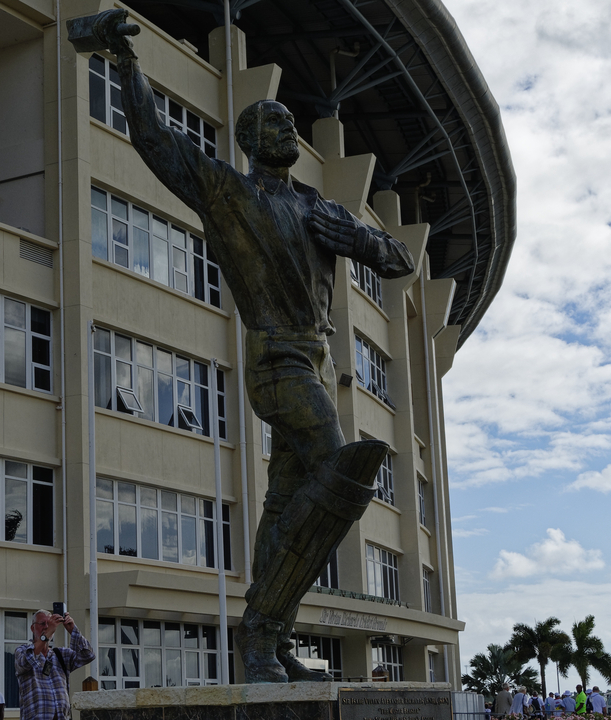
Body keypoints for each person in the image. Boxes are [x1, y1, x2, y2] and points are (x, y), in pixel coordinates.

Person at [83, 8, 414, 683]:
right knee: (340, 468)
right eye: (274, 123)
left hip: (315, 364)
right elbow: (155, 141)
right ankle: (262, 625)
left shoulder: (321, 210)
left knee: (285, 505)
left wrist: (363, 241)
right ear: (247, 139)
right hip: (275, 361)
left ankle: (265, 640)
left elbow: (401, 259)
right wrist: (124, 63)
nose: (288, 128)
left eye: (291, 122)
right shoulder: (229, 192)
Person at [14, 610, 95, 720]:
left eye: (50, 624)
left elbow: (88, 655)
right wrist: (47, 634)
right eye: (43, 624)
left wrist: (72, 630)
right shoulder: (22, 651)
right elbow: (25, 662)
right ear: (33, 628)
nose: (47, 627)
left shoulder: (60, 654)